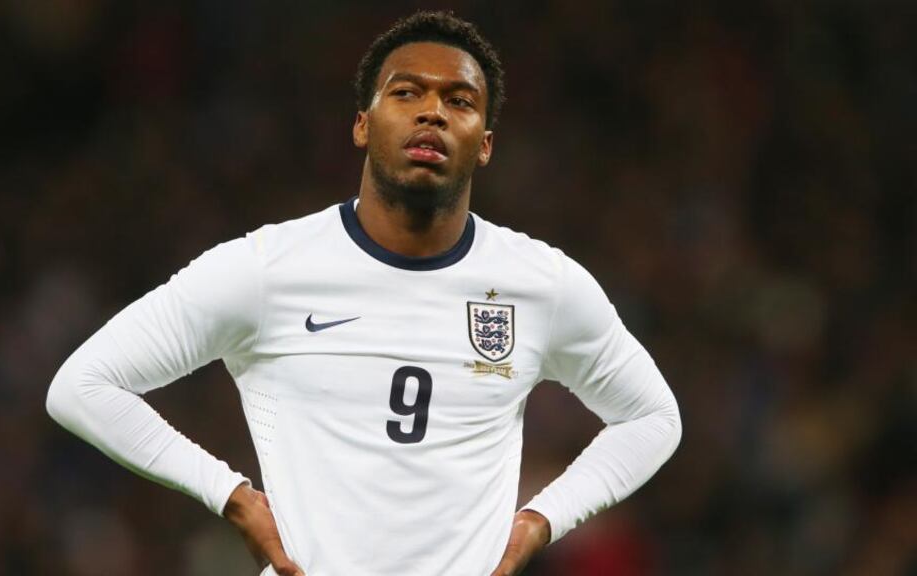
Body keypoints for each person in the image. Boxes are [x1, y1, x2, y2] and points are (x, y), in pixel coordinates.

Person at [46, 10, 681, 576]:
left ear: (485, 144)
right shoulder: (267, 270)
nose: (432, 112)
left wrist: (540, 521)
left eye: (459, 101)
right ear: (361, 125)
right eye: (406, 92)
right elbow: (83, 386)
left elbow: (653, 418)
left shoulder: (541, 284)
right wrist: (232, 496)